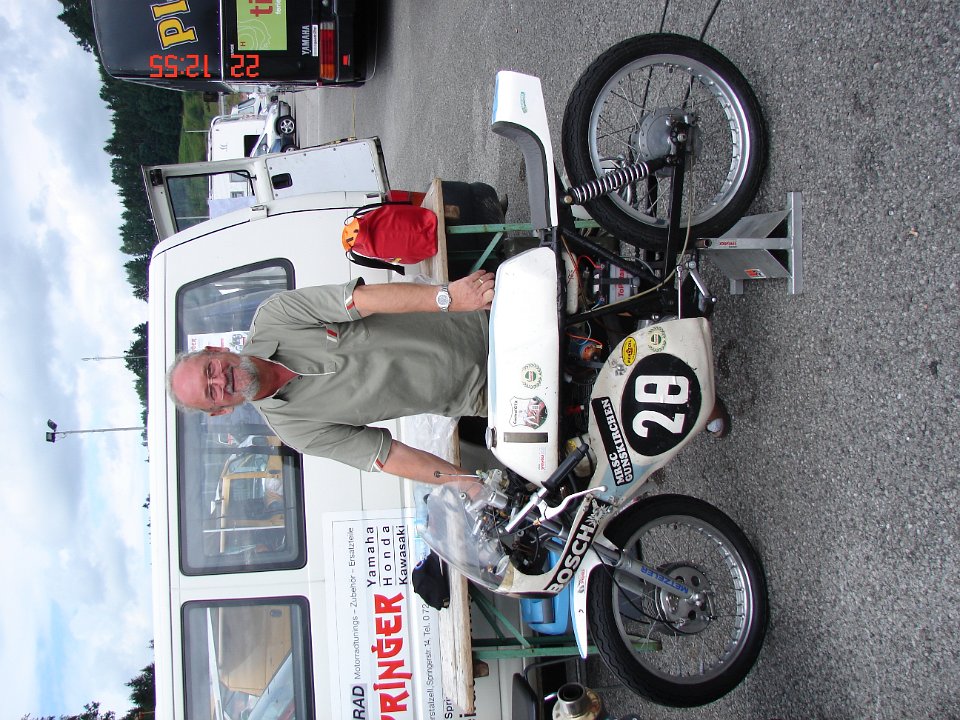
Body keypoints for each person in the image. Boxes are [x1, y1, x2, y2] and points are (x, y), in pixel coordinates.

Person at [168, 271, 497, 485]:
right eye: (211, 392)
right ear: (221, 410)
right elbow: (386, 456)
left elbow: (362, 300)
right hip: (486, 396)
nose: (220, 381)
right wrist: (466, 483)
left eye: (209, 370)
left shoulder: (275, 317)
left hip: (478, 321)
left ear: (216, 350)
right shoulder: (295, 430)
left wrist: (448, 297)